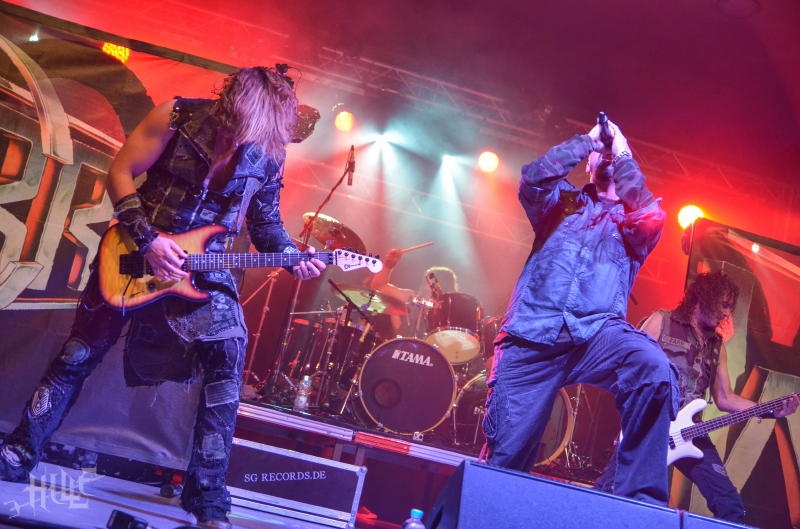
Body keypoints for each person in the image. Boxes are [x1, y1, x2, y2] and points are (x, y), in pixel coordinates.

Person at [0, 66, 327, 529]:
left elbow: (266, 223)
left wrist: (293, 257)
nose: (246, 139)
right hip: (135, 252)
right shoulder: (177, 115)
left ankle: (207, 493)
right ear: (233, 106)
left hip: (205, 269)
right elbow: (122, 171)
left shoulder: (270, 153)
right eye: (244, 126)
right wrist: (149, 240)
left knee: (228, 356)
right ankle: (18, 451)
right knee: (78, 354)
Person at [483, 118, 679, 505]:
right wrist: (587, 141)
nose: (605, 154)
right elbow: (533, 178)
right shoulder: (559, 203)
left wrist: (620, 150)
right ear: (588, 163)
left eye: (614, 154)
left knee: (653, 368)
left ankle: (639, 501)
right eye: (598, 153)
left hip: (597, 334)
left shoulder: (636, 220)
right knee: (504, 461)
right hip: (530, 336)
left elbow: (648, 214)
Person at [609, 271, 798, 522]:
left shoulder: (717, 346)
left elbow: (725, 398)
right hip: (650, 426)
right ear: (704, 297)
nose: (727, 313)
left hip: (691, 432)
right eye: (724, 304)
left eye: (730, 307)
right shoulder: (662, 321)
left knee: (730, 506)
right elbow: (627, 368)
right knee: (611, 490)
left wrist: (771, 410)